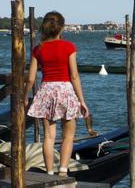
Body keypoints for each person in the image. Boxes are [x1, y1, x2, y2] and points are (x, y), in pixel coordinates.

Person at [25, 11, 88, 176]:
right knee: (68, 136)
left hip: (46, 91)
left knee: (49, 137)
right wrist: (82, 101)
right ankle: (63, 171)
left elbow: (31, 78)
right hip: (65, 91)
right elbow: (74, 76)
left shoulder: (38, 49)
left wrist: (25, 97)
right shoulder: (69, 47)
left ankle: (50, 173)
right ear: (62, 28)